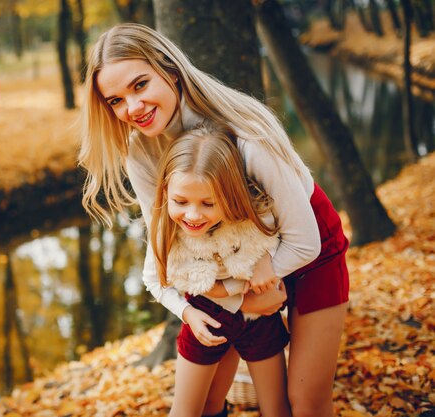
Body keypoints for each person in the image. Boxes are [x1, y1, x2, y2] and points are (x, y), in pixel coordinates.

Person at [78, 23, 349, 417]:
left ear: (170, 70)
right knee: (204, 402)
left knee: (305, 402)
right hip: (224, 263)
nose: (132, 108)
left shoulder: (246, 135)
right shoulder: (140, 151)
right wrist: (230, 292)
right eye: (116, 101)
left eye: (139, 85)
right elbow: (166, 242)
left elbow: (304, 241)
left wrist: (251, 283)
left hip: (307, 249)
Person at [151, 127, 291, 417]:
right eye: (181, 202)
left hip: (259, 318)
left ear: (230, 194)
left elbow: (274, 236)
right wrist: (187, 313)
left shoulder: (254, 217)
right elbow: (153, 279)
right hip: (205, 318)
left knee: (276, 408)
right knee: (190, 410)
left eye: (208, 203)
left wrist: (267, 258)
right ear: (166, 192)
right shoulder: (166, 230)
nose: (192, 215)